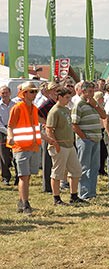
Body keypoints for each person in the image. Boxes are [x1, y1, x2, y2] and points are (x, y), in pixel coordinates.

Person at [7, 81, 56, 215]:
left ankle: (21, 201)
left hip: (34, 147)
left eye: (35, 91)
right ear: (24, 93)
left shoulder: (34, 108)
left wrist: (48, 139)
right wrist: (10, 137)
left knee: (28, 176)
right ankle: (25, 204)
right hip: (21, 147)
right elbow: (10, 126)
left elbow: (36, 128)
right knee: (24, 176)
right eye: (32, 91)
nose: (34, 94)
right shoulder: (17, 108)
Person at [45, 87, 87, 205]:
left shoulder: (66, 109)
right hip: (60, 146)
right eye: (67, 97)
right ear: (60, 97)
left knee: (76, 171)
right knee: (57, 173)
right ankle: (56, 198)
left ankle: (74, 196)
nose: (69, 99)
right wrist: (55, 144)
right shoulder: (55, 111)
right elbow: (49, 129)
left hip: (69, 145)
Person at [71, 81, 107, 200]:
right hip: (86, 140)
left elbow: (104, 116)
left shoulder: (93, 103)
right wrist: (84, 137)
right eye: (90, 91)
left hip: (96, 139)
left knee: (94, 167)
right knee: (84, 167)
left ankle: (92, 192)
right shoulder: (79, 105)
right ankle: (84, 193)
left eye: (93, 91)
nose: (92, 93)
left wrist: (95, 105)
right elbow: (74, 124)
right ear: (83, 91)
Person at [38, 81, 60, 193]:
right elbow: (38, 115)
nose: (57, 93)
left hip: (57, 132)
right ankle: (47, 186)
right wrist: (46, 123)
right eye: (55, 90)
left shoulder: (57, 103)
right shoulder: (47, 104)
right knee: (47, 159)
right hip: (47, 132)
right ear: (50, 91)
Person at [0, 86, 16, 186]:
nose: (5, 95)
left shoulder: (15, 105)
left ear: (10, 93)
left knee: (16, 155)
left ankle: (19, 177)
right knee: (4, 156)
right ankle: (6, 177)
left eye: (6, 92)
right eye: (2, 93)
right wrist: (7, 132)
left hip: (15, 130)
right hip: (2, 132)